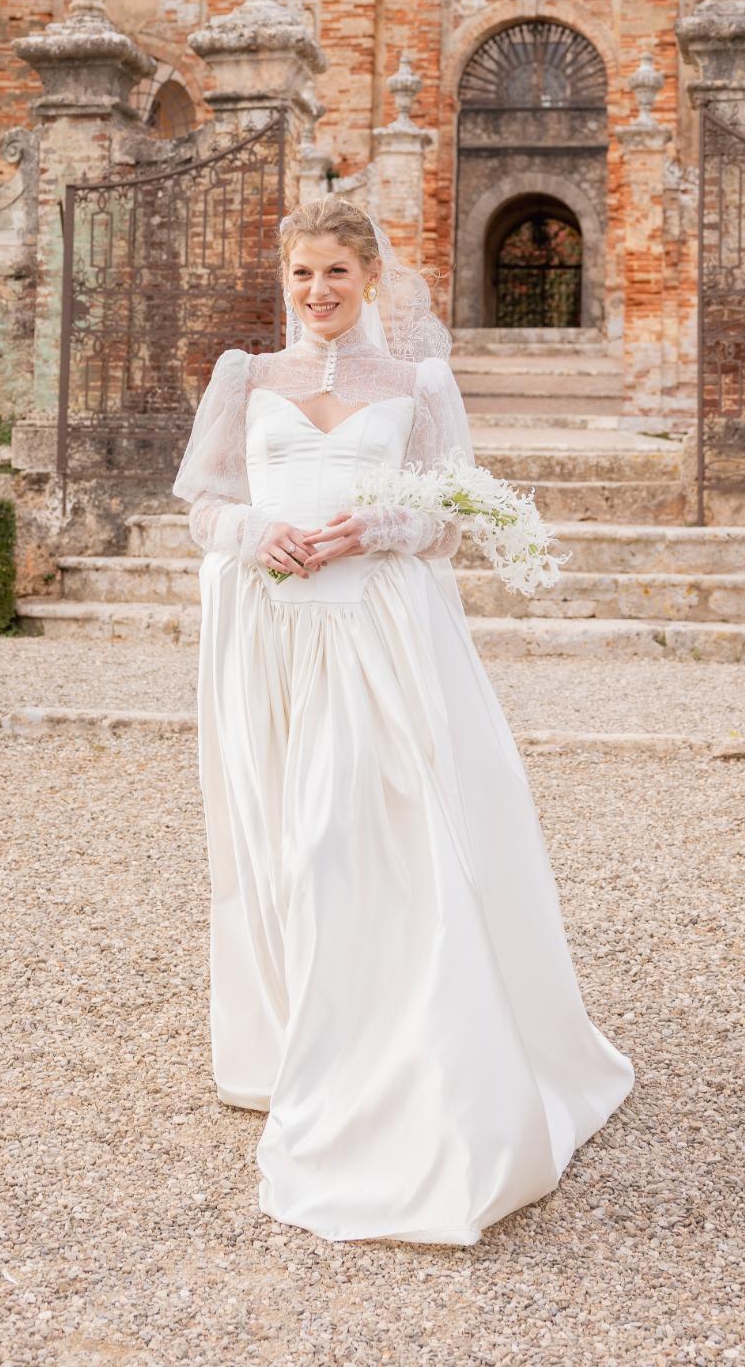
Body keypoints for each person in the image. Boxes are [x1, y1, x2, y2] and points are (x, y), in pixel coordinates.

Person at [173, 195, 632, 1246]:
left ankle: (391, 1060)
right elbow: (200, 500)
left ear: (370, 277)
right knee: (284, 842)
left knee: (355, 836)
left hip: (377, 634)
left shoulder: (417, 383)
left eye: (336, 272)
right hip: (270, 638)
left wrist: (383, 522)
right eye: (300, 275)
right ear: (282, 279)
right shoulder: (246, 378)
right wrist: (251, 532)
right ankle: (298, 1037)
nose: (317, 293)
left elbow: (448, 518)